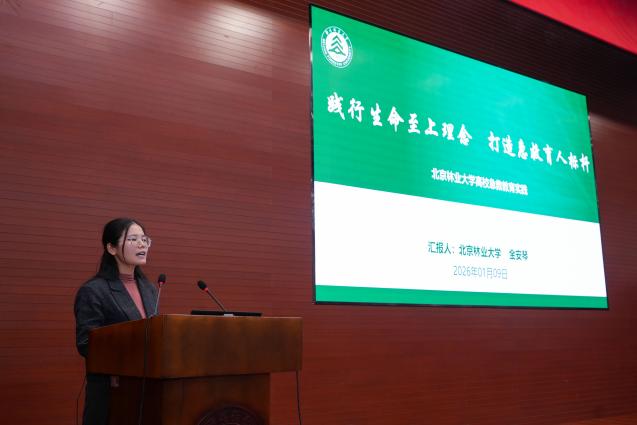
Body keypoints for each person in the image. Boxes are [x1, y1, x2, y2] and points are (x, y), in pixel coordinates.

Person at [74, 218, 158, 425]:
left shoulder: (149, 288)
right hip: (112, 395)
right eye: (133, 239)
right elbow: (86, 344)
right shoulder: (94, 291)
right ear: (111, 248)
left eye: (144, 239)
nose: (141, 244)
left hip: (146, 392)